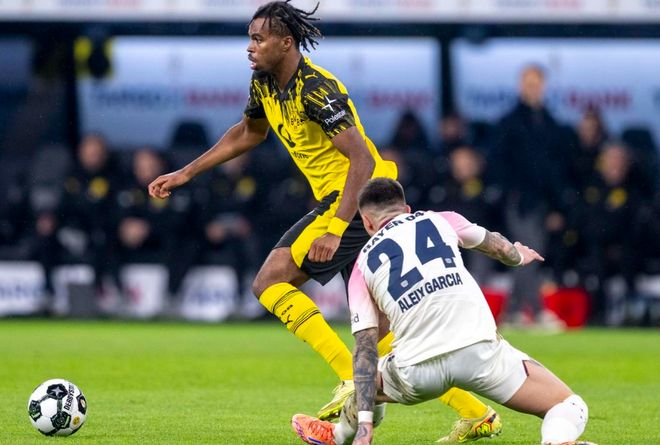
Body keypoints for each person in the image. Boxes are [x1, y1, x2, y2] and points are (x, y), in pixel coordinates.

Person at [148, 1, 498, 435]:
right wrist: (186, 172)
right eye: (249, 38)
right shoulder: (264, 83)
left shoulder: (317, 89)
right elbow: (248, 132)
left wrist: (335, 228)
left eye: (258, 39)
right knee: (380, 329)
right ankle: (476, 412)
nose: (250, 47)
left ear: (286, 43)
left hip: (359, 197)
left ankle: (351, 378)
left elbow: (361, 159)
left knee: (269, 281)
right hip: (345, 199)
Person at [291, 178, 596, 445]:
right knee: (569, 405)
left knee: (370, 382)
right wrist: (518, 256)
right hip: (480, 355)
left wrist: (365, 426)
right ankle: (557, 441)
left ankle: (339, 435)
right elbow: (498, 247)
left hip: (416, 369)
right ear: (406, 209)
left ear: (367, 223)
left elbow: (365, 348)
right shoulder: (441, 219)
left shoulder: (361, 266)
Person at [489, 64, 569, 328]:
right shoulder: (509, 122)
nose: (532, 87)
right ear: (520, 85)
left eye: (536, 83)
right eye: (528, 82)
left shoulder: (550, 122)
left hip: (542, 201)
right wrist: (509, 192)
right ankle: (535, 310)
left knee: (531, 253)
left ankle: (514, 311)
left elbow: (555, 168)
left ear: (543, 86)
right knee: (527, 254)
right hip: (519, 200)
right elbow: (498, 162)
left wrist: (557, 206)